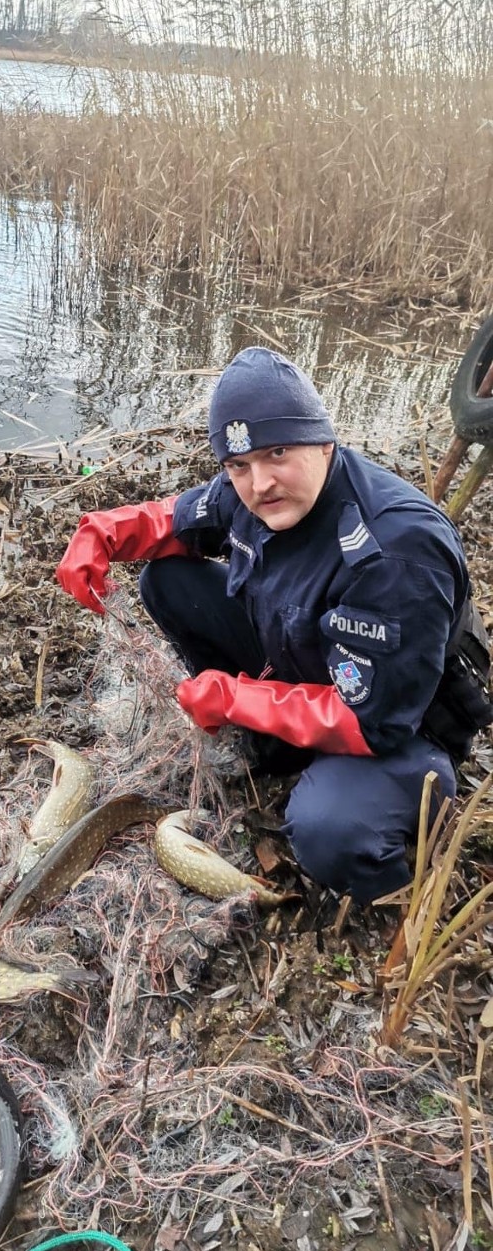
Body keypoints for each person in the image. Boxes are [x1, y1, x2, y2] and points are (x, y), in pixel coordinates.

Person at [55, 347, 492, 905]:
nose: (259, 483)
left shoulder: (396, 550)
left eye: (277, 452)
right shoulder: (254, 490)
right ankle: (272, 741)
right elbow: (177, 520)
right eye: (238, 465)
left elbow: (371, 720)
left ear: (324, 441)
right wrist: (101, 533)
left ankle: (385, 868)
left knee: (327, 832)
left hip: (402, 726)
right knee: (166, 579)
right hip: (309, 660)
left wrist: (237, 698)